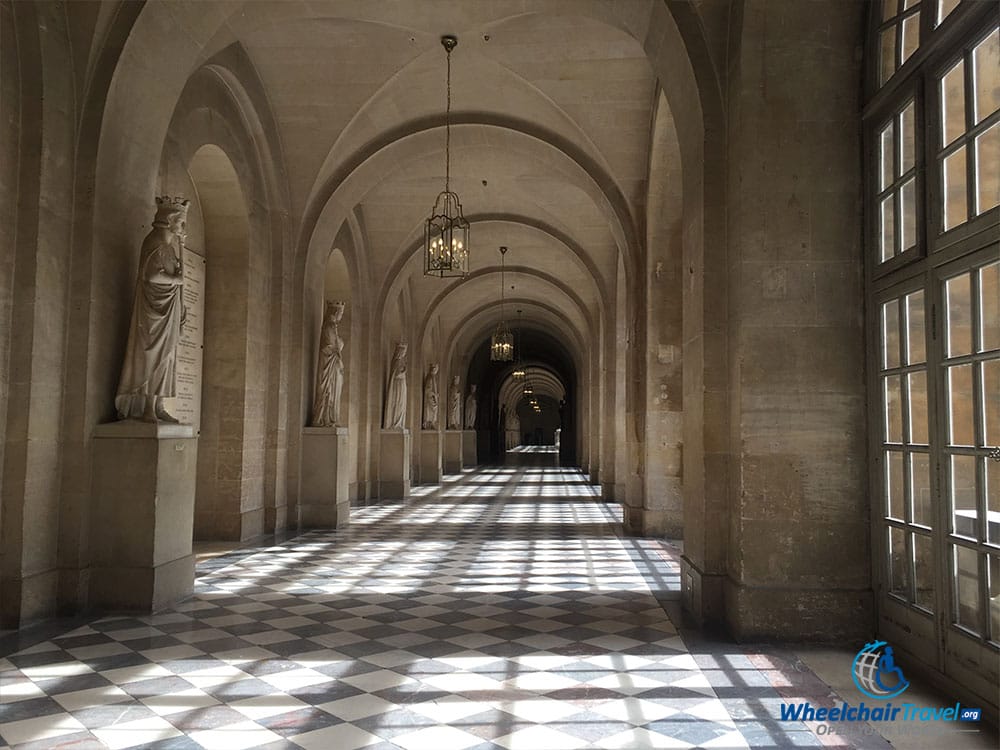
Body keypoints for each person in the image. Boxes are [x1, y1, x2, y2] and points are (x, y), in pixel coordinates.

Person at [115, 196, 189, 422]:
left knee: (166, 358)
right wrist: (176, 280)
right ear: (169, 220)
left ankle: (158, 405)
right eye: (181, 222)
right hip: (153, 314)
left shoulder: (169, 247)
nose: (182, 227)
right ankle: (146, 407)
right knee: (152, 355)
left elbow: (173, 276)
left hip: (168, 311)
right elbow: (151, 275)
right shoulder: (155, 241)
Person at [311, 301, 345, 427]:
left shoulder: (333, 327)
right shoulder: (329, 326)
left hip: (333, 366)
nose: (341, 316)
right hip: (329, 366)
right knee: (328, 391)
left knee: (333, 392)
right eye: (341, 313)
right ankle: (323, 418)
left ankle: (330, 418)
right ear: (336, 312)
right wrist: (340, 345)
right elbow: (329, 347)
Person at [383, 342, 408, 429]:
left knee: (401, 404)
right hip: (397, 386)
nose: (404, 354)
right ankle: (395, 422)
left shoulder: (401, 362)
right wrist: (403, 372)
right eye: (403, 352)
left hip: (401, 386)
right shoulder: (396, 361)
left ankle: (399, 422)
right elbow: (396, 374)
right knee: (397, 402)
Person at [422, 363, 439, 429]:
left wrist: (436, 395)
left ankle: (432, 422)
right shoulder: (430, 378)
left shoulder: (432, 377)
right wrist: (434, 394)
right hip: (430, 398)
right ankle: (429, 422)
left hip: (432, 397)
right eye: (435, 369)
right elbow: (427, 390)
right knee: (432, 409)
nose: (436, 370)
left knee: (435, 409)